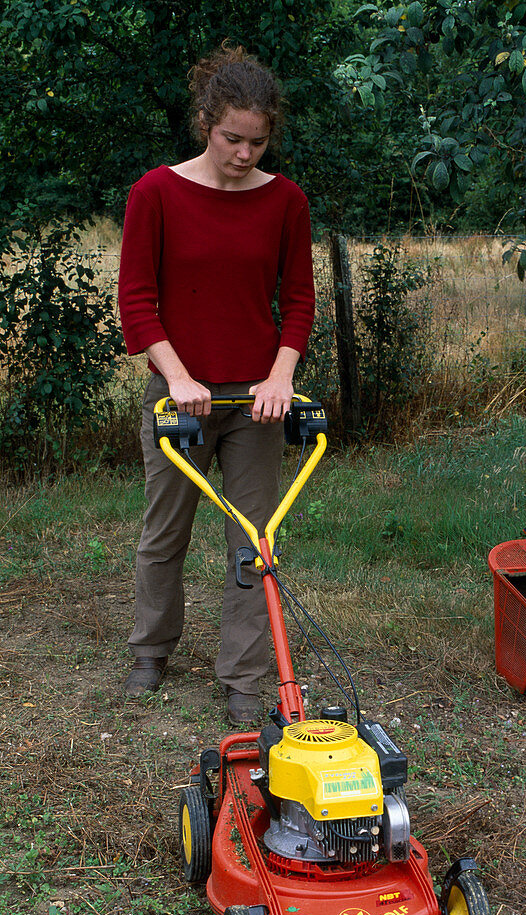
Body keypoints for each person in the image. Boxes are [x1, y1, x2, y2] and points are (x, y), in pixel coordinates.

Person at [118, 44, 315, 725]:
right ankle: (150, 651)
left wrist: (279, 378)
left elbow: (298, 304)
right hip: (181, 399)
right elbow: (137, 301)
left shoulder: (285, 201)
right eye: (233, 138)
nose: (244, 153)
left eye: (258, 142)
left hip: (256, 402)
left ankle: (243, 678)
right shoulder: (156, 193)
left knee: (252, 542)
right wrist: (177, 376)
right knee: (164, 532)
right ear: (207, 122)